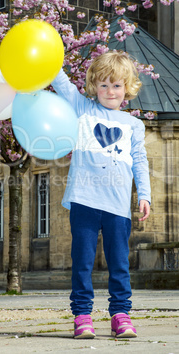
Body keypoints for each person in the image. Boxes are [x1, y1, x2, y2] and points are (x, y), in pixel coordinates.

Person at [51, 51, 151, 339]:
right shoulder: (83, 109)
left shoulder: (134, 125)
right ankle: (82, 315)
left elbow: (140, 160)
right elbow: (61, 82)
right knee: (82, 261)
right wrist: (46, 52)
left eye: (117, 85)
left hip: (118, 207)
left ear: (128, 88)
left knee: (119, 263)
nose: (110, 91)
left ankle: (121, 315)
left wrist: (143, 194)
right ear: (94, 85)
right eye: (104, 85)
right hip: (84, 200)